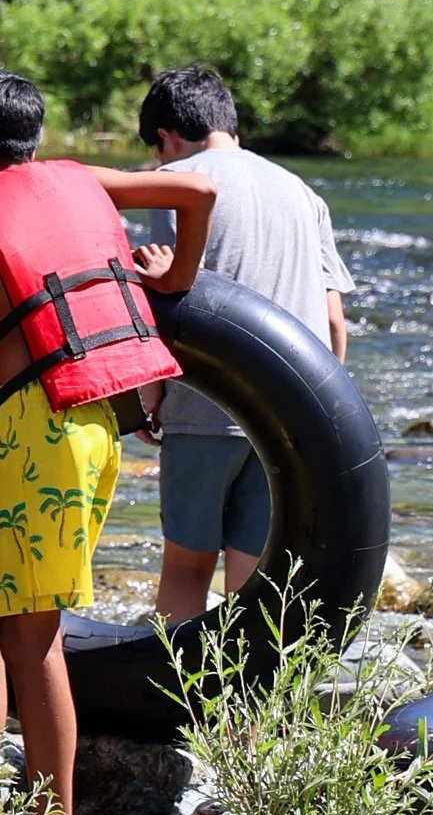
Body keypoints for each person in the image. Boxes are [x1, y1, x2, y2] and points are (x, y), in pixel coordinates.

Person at [0, 69, 219, 815]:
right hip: (92, 422)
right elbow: (198, 195)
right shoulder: (81, 178)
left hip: (33, 433)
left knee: (31, 636)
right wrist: (176, 277)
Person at [137, 64, 353, 621]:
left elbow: (165, 297)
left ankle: (178, 679)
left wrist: (149, 397)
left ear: (165, 136)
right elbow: (334, 325)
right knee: (256, 579)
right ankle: (245, 682)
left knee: (186, 569)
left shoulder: (175, 182)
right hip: (288, 416)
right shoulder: (303, 192)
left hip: (201, 412)